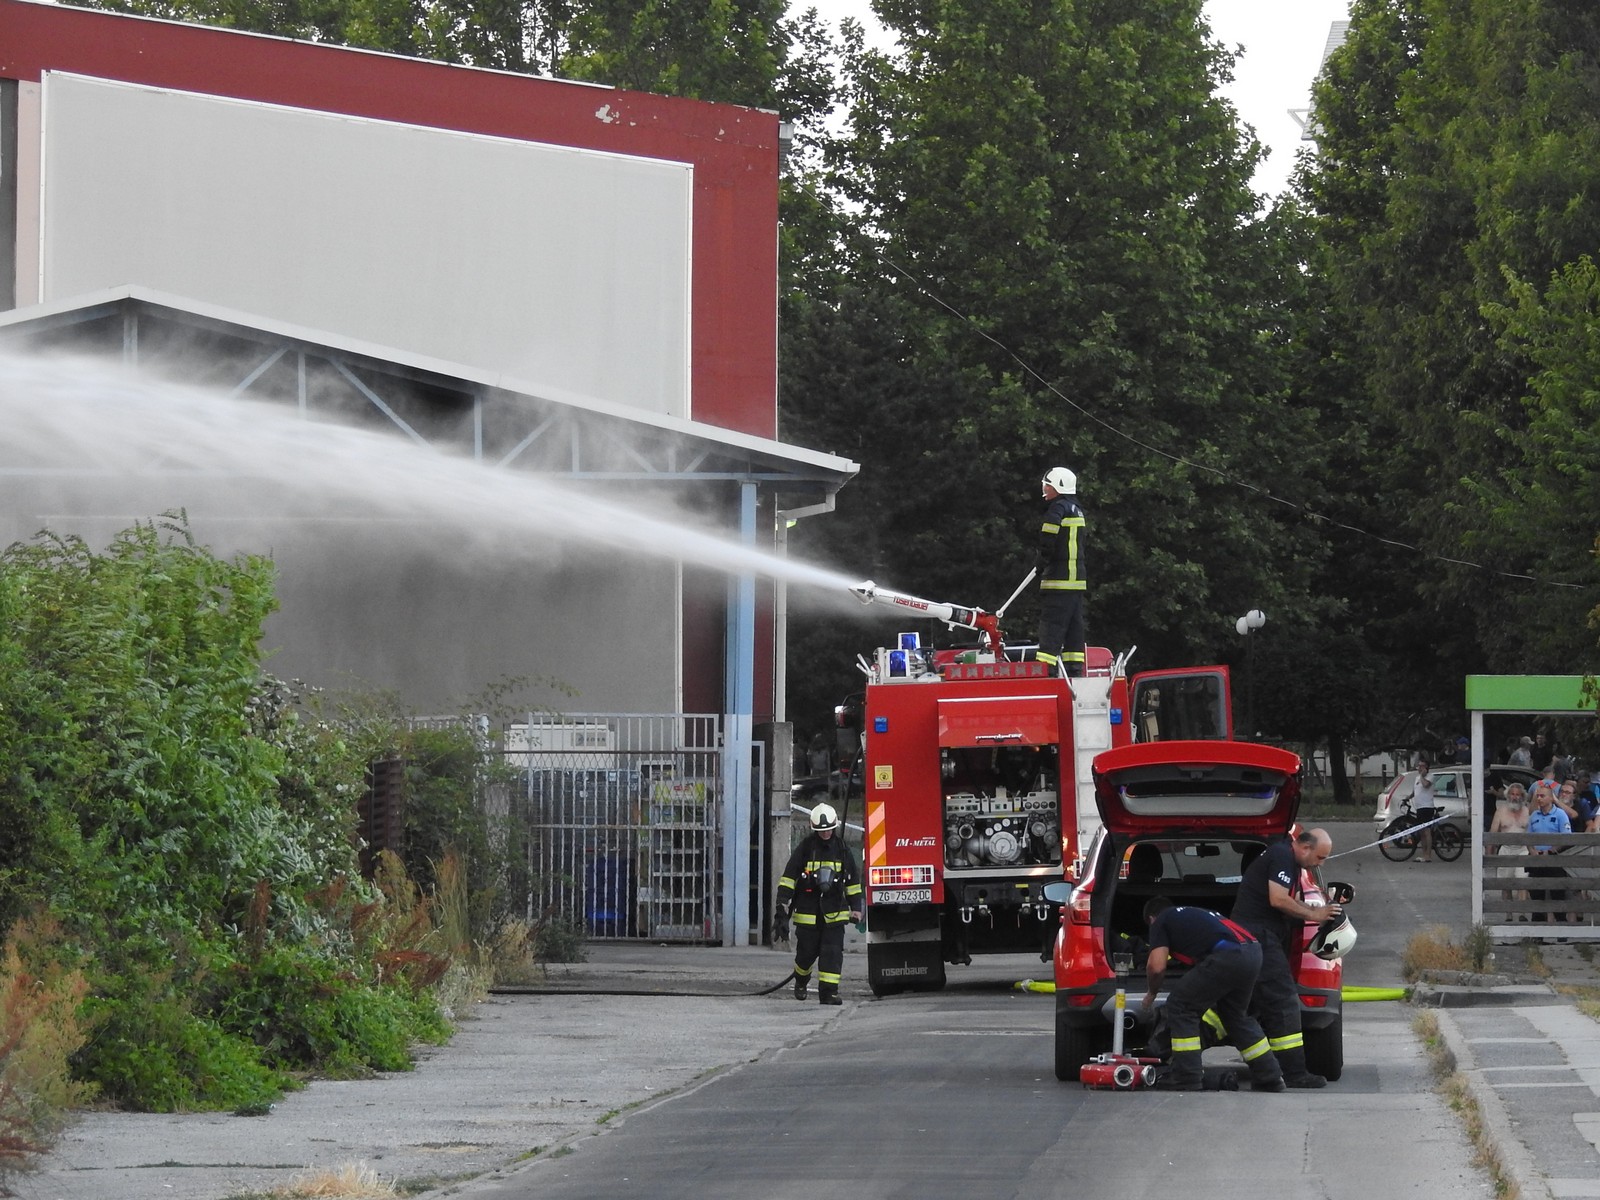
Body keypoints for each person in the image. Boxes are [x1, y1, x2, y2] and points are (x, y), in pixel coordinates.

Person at [1228, 827, 1341, 1088]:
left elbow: (1291, 901)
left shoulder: (1289, 862)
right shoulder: (1281, 856)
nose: (1320, 864)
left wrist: (1316, 910)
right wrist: (1314, 915)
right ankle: (1294, 1073)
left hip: (1251, 939)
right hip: (1258, 937)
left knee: (1248, 1006)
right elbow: (1278, 899)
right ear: (1305, 848)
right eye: (1320, 857)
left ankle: (1266, 1069)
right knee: (1284, 1002)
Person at [1138, 898, 1286, 1092]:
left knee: (1180, 1005)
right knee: (1235, 1016)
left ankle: (1186, 1076)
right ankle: (1269, 1077)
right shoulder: (1195, 913)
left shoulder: (1161, 920)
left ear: (1151, 918)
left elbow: (1156, 967)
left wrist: (1151, 992)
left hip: (1228, 955)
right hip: (1252, 953)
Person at [775, 802, 862, 1005]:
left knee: (832, 954)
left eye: (829, 830)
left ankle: (829, 993)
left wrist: (856, 908)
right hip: (809, 913)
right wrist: (782, 906)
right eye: (821, 831)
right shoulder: (806, 849)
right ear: (814, 828)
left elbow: (852, 882)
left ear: (834, 827)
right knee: (805, 955)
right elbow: (789, 878)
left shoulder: (842, 850)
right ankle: (801, 981)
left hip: (835, 913)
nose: (825, 834)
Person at [1035, 466, 1086, 677]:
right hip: (1077, 581)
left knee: (1052, 626)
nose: (1045, 489)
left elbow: (1048, 539)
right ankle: (1074, 668)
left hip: (1058, 579)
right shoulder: (1077, 509)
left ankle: (1046, 669)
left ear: (1059, 486)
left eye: (1048, 485)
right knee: (1074, 627)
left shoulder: (1057, 509)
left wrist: (1041, 561)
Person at [1526, 783, 1573, 927]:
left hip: (1554, 860)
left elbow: (1567, 837)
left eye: (1542, 796)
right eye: (1538, 796)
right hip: (1536, 860)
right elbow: (1527, 837)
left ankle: (1561, 930)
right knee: (1536, 896)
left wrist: (1551, 850)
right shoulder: (1534, 815)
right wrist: (1532, 850)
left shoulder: (1560, 814)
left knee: (1557, 895)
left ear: (1551, 798)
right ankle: (1537, 932)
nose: (1539, 799)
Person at [1489, 784, 1530, 922]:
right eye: (1512, 794)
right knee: (1505, 883)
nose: (1515, 797)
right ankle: (1508, 913)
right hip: (1506, 849)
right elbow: (1492, 833)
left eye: (1518, 794)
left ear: (1522, 796)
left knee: (1522, 881)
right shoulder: (1500, 811)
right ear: (1508, 795)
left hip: (1523, 850)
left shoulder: (1527, 811)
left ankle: (1522, 913)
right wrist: (1490, 855)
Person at [1412, 759, 1439, 863]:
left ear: (1426, 767)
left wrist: (1422, 776)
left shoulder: (1429, 777)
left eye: (1422, 766)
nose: (1419, 768)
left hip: (1427, 807)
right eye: (1418, 766)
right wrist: (1408, 797)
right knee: (1421, 832)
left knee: (1427, 831)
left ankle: (1428, 855)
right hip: (1419, 807)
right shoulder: (1417, 778)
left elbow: (1425, 785)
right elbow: (1416, 790)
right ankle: (1424, 854)